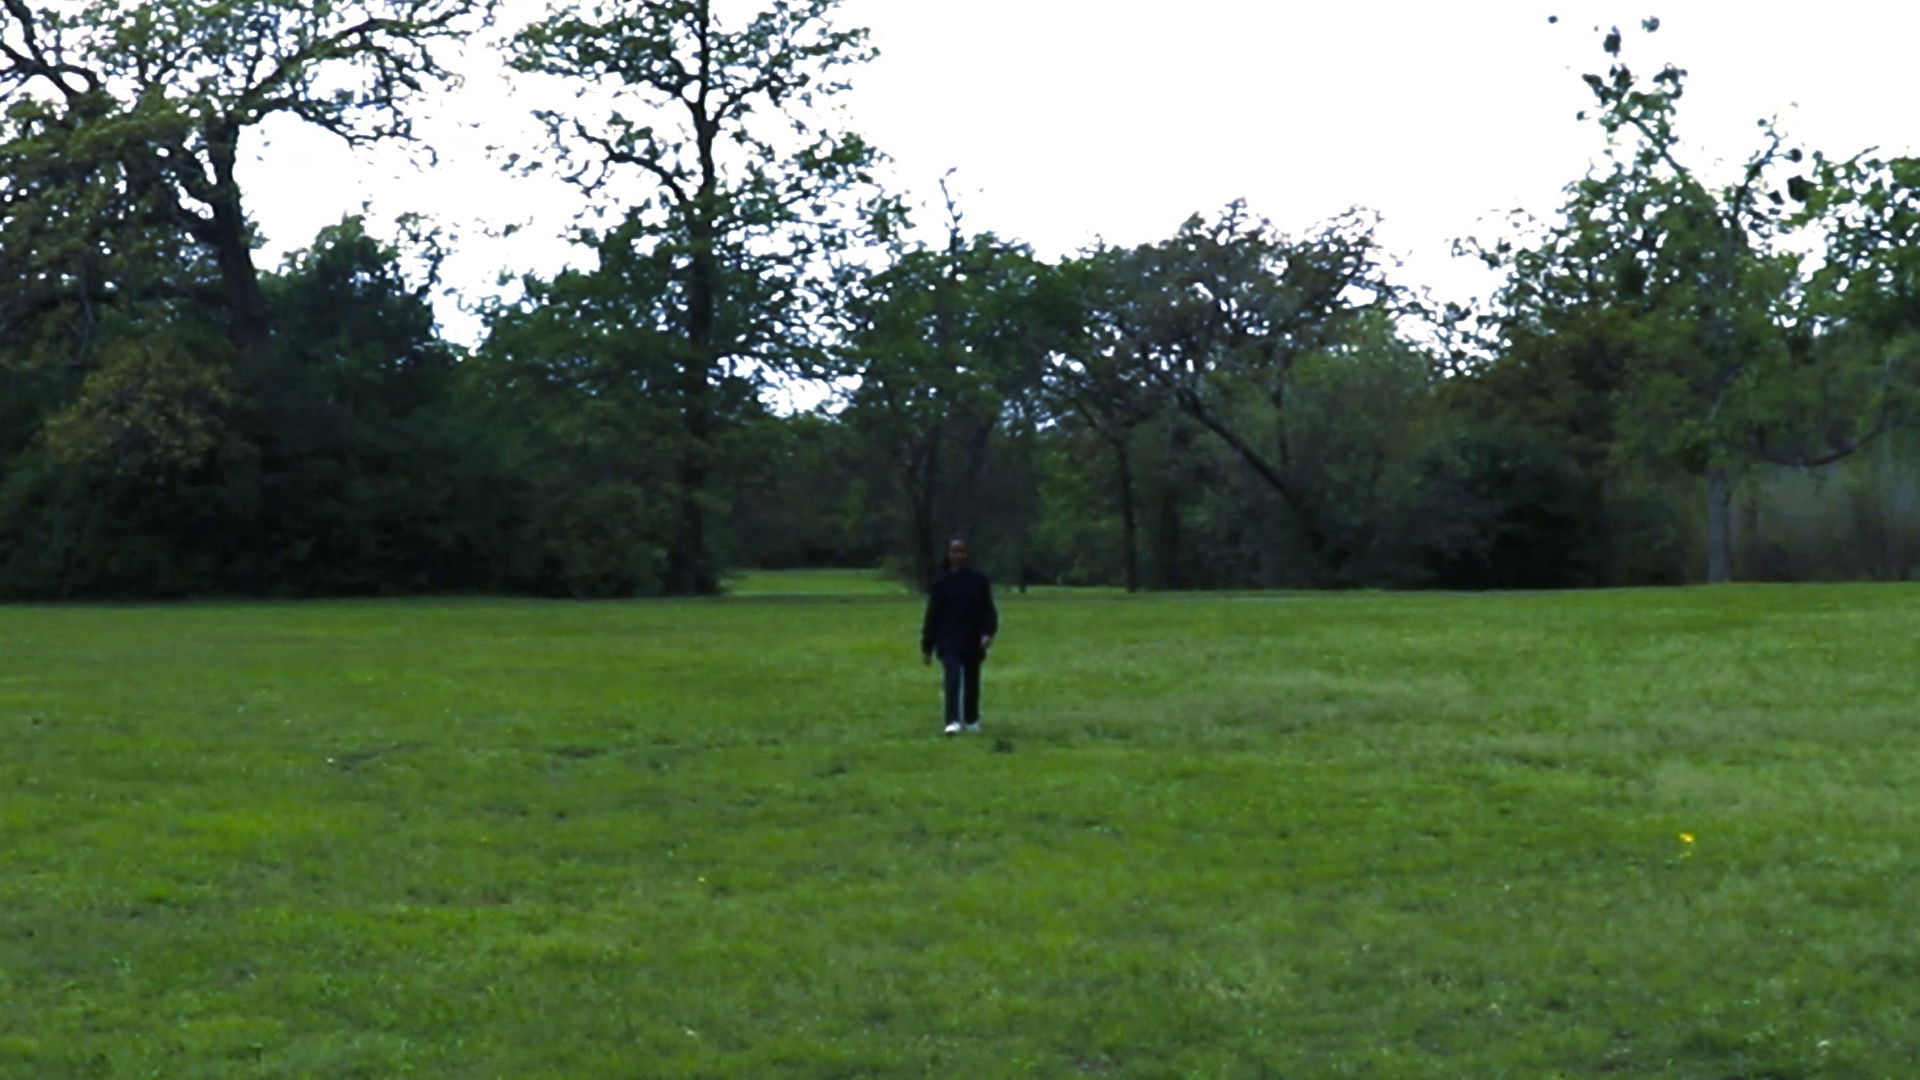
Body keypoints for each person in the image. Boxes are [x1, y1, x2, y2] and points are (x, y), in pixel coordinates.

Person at [920, 536, 999, 736]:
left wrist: (987, 633)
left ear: (967, 554)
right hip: (948, 639)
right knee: (953, 679)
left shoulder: (978, 581)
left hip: (972, 639)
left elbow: (988, 610)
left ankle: (972, 719)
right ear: (948, 555)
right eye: (953, 551)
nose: (957, 555)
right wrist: (927, 647)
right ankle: (952, 720)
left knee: (972, 681)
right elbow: (933, 616)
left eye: (961, 551)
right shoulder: (941, 582)